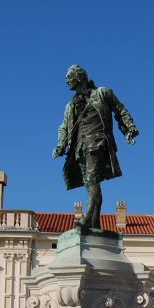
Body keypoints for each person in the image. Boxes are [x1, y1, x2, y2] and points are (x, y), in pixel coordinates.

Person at [52, 64, 139, 231]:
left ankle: (86, 219)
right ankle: (95, 223)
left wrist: (130, 127)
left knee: (92, 180)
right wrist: (60, 144)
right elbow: (63, 126)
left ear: (79, 77)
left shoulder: (102, 92)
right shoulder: (71, 105)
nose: (66, 81)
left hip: (97, 142)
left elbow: (119, 109)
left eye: (69, 77)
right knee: (90, 185)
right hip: (79, 147)